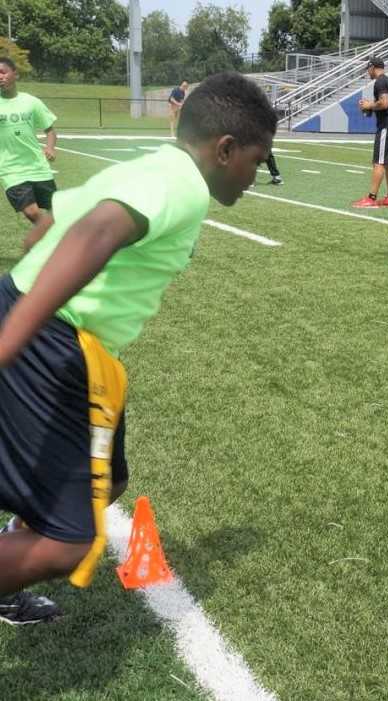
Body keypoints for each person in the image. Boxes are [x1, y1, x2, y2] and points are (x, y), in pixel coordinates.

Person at [0, 72, 276, 624]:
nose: (257, 175)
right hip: (49, 340)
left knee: (112, 478)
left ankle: (11, 552)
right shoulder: (183, 187)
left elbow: (72, 208)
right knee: (67, 545)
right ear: (224, 150)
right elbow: (97, 229)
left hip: (72, 344)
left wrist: (41, 235)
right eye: (257, 158)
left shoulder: (157, 165)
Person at [0, 57, 58, 230]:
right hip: (11, 169)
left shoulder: (31, 102)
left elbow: (50, 130)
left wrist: (50, 147)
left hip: (38, 167)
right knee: (32, 212)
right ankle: (56, 239)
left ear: (15, 74)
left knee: (57, 210)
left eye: (3, 72)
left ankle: (57, 240)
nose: (0, 77)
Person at [352, 56, 388, 208]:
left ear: (372, 67)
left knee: (379, 162)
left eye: (368, 69)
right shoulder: (387, 81)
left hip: (387, 125)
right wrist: (371, 106)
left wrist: (369, 105)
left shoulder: (380, 81)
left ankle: (371, 197)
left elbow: (384, 103)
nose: (367, 72)